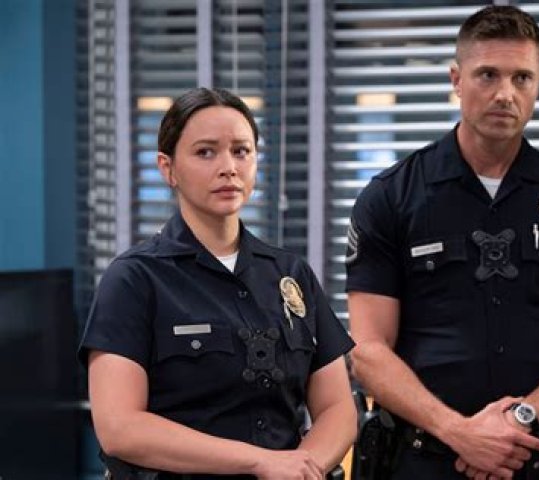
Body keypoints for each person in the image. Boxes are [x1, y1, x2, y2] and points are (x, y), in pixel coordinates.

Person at [346, 5, 539, 480]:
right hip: (424, 461)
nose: (505, 94)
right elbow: (368, 351)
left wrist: (519, 421)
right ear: (456, 79)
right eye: (487, 75)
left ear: (538, 85)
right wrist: (460, 432)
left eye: (522, 78)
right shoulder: (391, 197)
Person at [79, 87, 356, 480]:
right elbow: (120, 428)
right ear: (167, 168)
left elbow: (337, 409)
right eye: (205, 152)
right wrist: (260, 462)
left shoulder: (291, 274)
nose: (228, 167)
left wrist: (302, 468)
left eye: (241, 151)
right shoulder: (134, 279)